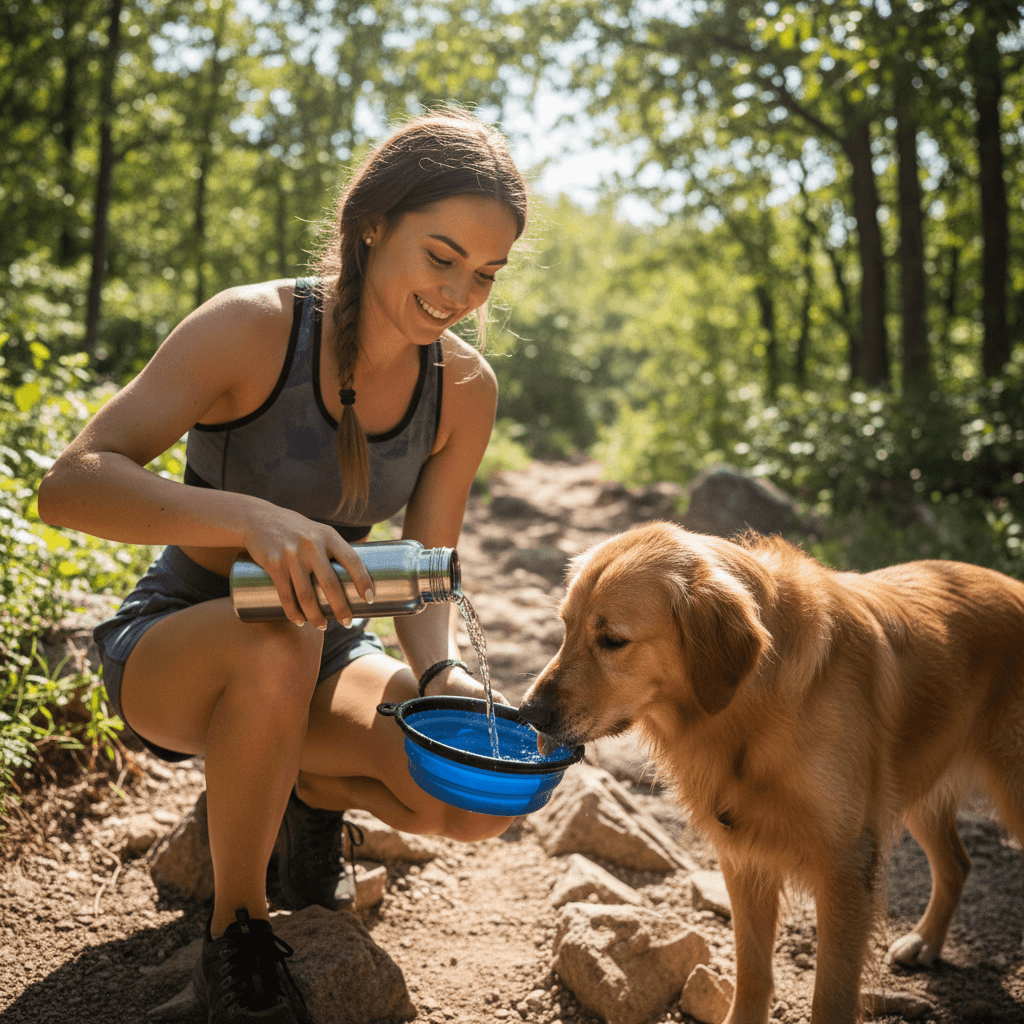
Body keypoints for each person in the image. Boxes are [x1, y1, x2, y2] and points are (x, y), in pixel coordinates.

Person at [38, 106, 528, 1024]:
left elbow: (426, 570)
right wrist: (252, 520)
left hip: (323, 651)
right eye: (442, 256)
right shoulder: (253, 327)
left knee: (476, 801)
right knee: (280, 638)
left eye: (485, 274)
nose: (460, 292)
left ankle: (296, 792)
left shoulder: (463, 387)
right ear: (374, 223)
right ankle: (238, 940)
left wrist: (443, 670)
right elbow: (67, 487)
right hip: (176, 646)